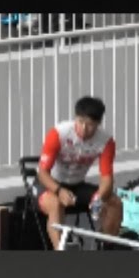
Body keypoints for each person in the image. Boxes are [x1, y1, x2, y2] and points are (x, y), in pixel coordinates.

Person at [35, 96, 123, 249]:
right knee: (55, 204)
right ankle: (61, 252)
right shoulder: (59, 133)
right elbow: (42, 173)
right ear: (75, 118)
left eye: (90, 125)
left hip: (77, 185)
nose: (83, 128)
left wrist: (99, 198)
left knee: (115, 203)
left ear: (98, 124)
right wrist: (59, 190)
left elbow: (107, 179)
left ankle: (106, 248)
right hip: (50, 183)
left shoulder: (106, 141)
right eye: (80, 122)